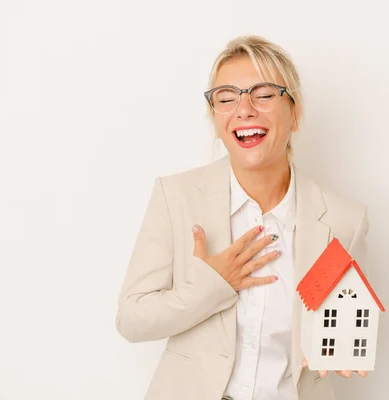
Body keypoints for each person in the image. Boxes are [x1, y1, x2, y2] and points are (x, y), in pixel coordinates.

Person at [115, 35, 371, 400]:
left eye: (264, 94)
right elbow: (131, 320)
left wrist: (343, 346)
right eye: (226, 98)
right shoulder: (177, 198)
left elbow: (342, 324)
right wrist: (212, 284)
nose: (244, 109)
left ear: (295, 113)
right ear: (216, 118)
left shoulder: (344, 220)